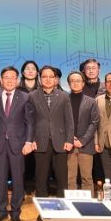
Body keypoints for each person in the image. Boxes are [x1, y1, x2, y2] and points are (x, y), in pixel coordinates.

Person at [0, 66, 34, 221]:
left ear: (17, 80)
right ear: (1, 80)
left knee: (17, 179)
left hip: (18, 145)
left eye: (12, 77)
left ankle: (15, 212)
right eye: (6, 77)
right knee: (0, 179)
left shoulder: (25, 97)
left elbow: (30, 122)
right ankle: (1, 211)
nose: (9, 80)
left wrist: (28, 142)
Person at [30, 66, 74, 198]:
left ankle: (63, 205)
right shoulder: (32, 96)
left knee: (62, 178)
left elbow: (69, 121)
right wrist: (31, 140)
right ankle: (41, 207)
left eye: (51, 77)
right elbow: (29, 121)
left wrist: (69, 140)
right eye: (44, 76)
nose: (48, 79)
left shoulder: (64, 96)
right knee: (41, 178)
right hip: (40, 141)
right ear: (40, 79)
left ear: (55, 79)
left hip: (60, 142)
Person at [65, 71, 99, 194]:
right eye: (72, 81)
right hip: (68, 145)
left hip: (86, 145)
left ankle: (88, 203)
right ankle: (71, 202)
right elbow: (61, 122)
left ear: (83, 83)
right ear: (69, 84)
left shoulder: (91, 101)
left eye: (78, 81)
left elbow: (94, 122)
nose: (75, 83)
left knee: (87, 178)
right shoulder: (64, 100)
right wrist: (70, 139)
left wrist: (82, 140)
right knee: (70, 178)